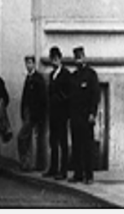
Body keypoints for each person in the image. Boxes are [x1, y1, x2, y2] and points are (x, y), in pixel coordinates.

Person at [69, 46, 99, 184]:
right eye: (76, 58)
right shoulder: (74, 76)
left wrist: (92, 113)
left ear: (84, 57)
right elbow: (70, 97)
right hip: (75, 116)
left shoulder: (91, 74)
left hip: (86, 116)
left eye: (80, 57)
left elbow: (95, 95)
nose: (78, 60)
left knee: (87, 146)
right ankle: (78, 174)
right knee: (76, 146)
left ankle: (89, 175)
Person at [45, 46, 71, 180]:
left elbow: (68, 94)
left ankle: (63, 170)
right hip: (53, 114)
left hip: (62, 113)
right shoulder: (51, 75)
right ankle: (53, 168)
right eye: (52, 59)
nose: (54, 62)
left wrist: (61, 102)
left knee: (63, 142)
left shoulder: (66, 74)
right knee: (53, 141)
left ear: (60, 59)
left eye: (56, 59)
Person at [18, 54, 47, 172]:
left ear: (34, 64)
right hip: (27, 113)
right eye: (27, 63)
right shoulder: (28, 78)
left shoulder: (38, 79)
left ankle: (30, 163)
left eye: (30, 63)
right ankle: (27, 163)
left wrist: (39, 115)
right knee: (27, 139)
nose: (28, 65)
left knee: (23, 137)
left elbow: (42, 98)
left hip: (34, 115)